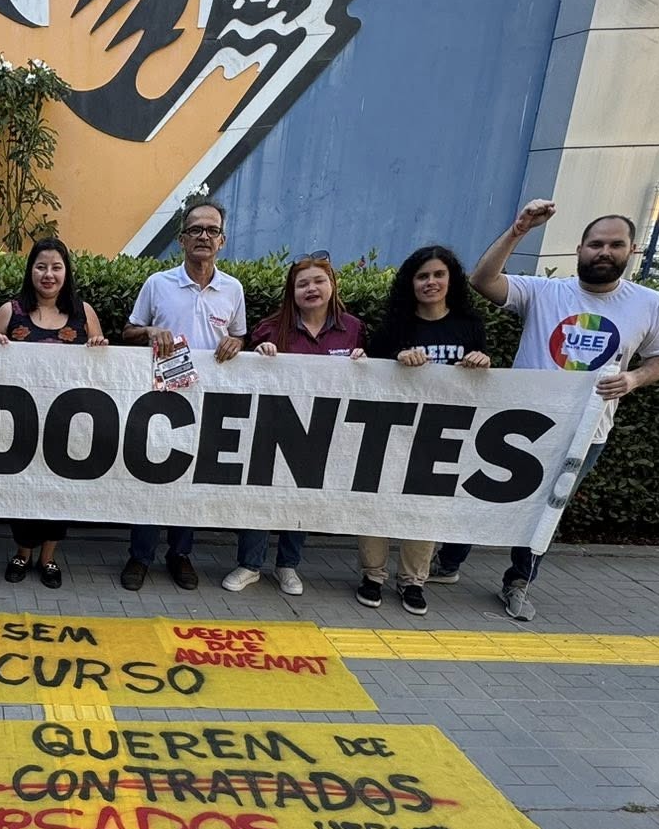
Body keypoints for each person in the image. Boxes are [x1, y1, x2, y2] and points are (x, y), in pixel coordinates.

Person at [431, 201, 659, 621]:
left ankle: (519, 582)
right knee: (483, 490)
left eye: (615, 245)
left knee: (548, 507)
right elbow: (483, 280)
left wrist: (635, 379)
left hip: (585, 430)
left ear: (632, 250)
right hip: (518, 421)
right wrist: (519, 230)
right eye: (596, 244)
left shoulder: (650, 304)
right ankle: (448, 563)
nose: (604, 252)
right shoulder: (545, 292)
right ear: (579, 249)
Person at [356, 245, 491, 616]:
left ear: (451, 280)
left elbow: (481, 382)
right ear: (410, 283)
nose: (430, 282)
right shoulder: (394, 327)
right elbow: (368, 376)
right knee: (377, 502)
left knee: (426, 507)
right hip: (391, 431)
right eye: (422, 276)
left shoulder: (469, 326)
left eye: (438, 275)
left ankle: (413, 580)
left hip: (443, 433)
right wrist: (395, 360)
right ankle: (372, 574)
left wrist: (482, 361)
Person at [119, 197, 245, 592]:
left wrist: (238, 343)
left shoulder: (233, 290)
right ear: (182, 239)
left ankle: (180, 554)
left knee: (191, 478)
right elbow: (128, 332)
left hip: (207, 403)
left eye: (212, 230)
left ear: (222, 240)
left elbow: (240, 335)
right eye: (196, 230)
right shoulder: (158, 284)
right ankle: (140, 556)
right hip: (160, 399)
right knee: (151, 475)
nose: (204, 236)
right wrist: (149, 331)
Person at [221, 252, 360, 596]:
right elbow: (247, 374)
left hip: (321, 430)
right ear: (292, 291)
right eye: (303, 284)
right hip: (272, 426)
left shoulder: (353, 329)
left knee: (301, 497)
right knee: (260, 494)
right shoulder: (270, 327)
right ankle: (250, 564)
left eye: (319, 281)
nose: (311, 289)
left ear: (332, 285)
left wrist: (362, 361)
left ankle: (288, 565)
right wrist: (260, 353)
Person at [0, 238, 108, 587]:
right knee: (22, 489)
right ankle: (22, 553)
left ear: (66, 272)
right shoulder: (11, 312)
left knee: (59, 491)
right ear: (31, 271)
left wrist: (98, 346)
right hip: (20, 423)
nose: (48, 274)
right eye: (41, 267)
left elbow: (101, 365)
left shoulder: (84, 314)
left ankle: (48, 557)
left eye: (56, 267)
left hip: (68, 424)